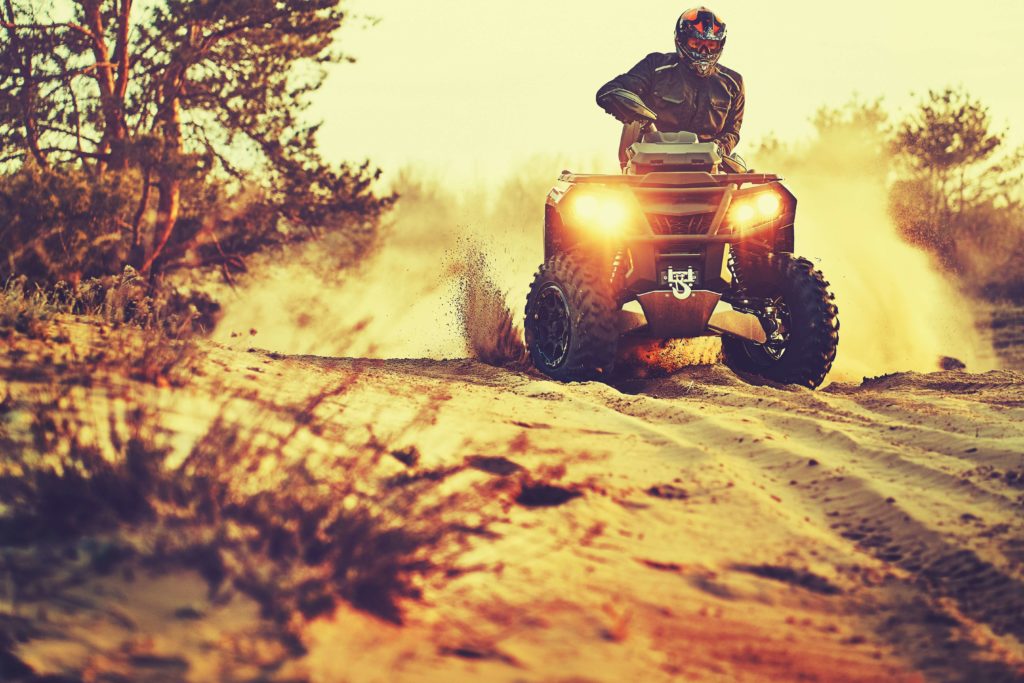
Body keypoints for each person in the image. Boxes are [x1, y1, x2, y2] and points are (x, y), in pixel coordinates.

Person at [596, 7, 744, 165]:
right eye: (696, 43)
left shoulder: (732, 83)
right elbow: (612, 90)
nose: (704, 50)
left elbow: (732, 132)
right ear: (681, 40)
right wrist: (638, 115)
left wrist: (719, 148)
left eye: (711, 44)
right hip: (649, 165)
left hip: (708, 169)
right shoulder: (655, 66)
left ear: (720, 44)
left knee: (755, 187)